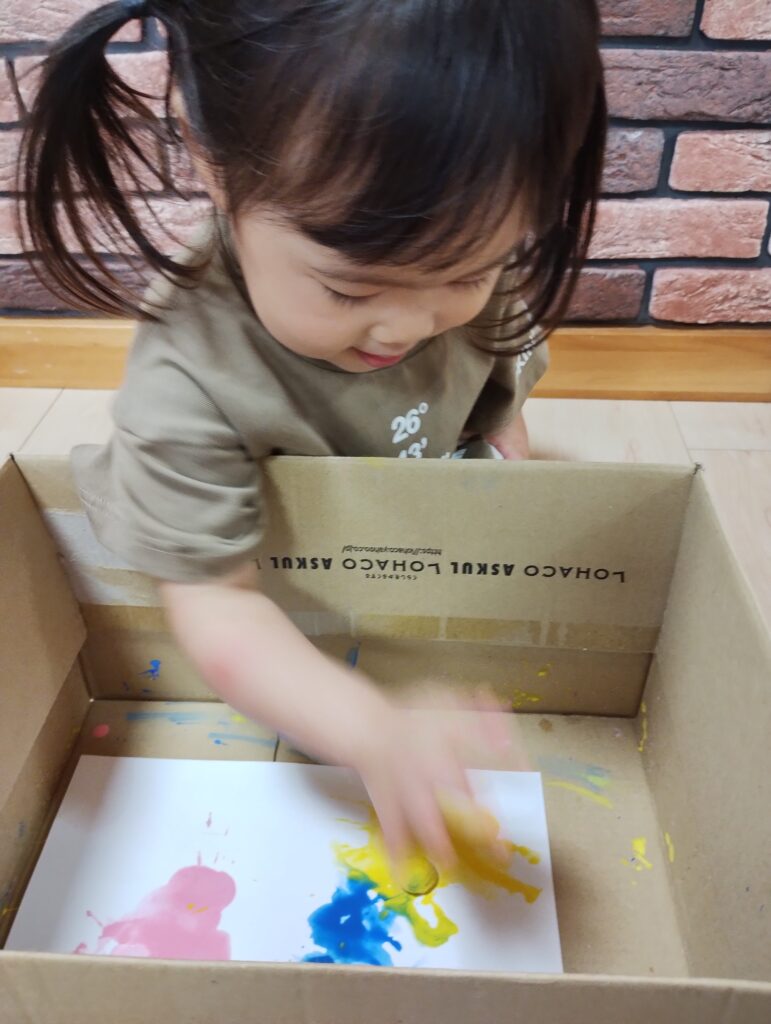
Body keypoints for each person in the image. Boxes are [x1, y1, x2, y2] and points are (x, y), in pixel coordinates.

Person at [20, 0, 606, 866]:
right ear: (211, 158)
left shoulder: (460, 230)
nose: (406, 325)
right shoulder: (190, 372)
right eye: (350, 289)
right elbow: (214, 602)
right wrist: (372, 731)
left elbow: (496, 386)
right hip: (278, 594)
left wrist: (497, 458)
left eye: (470, 273)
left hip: (412, 521)